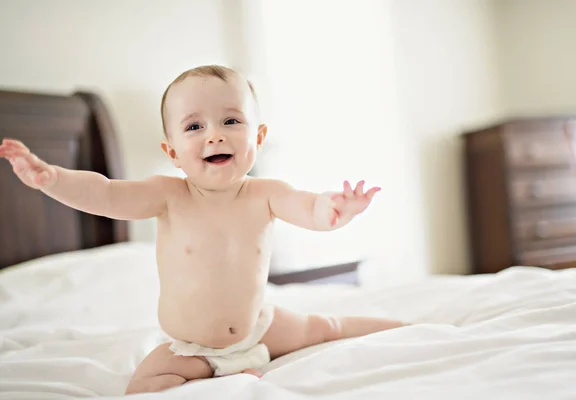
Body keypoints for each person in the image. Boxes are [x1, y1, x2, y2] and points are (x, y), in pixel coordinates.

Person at [0, 65, 408, 394]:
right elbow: (105, 194)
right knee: (144, 386)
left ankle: (411, 329)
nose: (214, 134)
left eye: (231, 120)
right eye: (194, 127)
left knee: (327, 326)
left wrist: (335, 208)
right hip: (193, 348)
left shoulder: (266, 193)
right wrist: (51, 177)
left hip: (258, 327)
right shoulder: (168, 195)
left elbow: (309, 208)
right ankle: (231, 379)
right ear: (172, 151)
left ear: (258, 137)